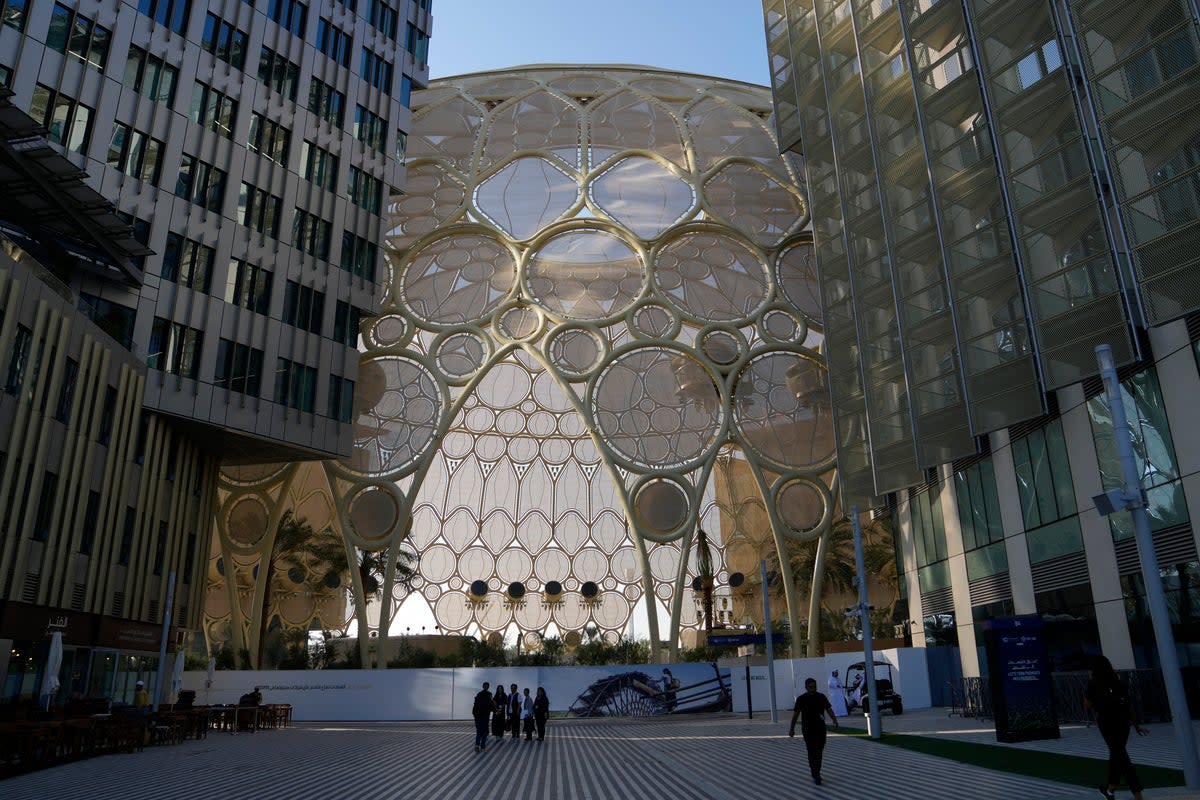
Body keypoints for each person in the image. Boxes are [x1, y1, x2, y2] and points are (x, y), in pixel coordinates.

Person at [1084, 655, 1147, 800]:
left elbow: (1087, 704)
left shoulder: (1093, 683)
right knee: (1118, 754)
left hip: (1107, 723)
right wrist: (1136, 725)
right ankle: (1111, 790)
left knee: (1121, 757)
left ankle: (1134, 795)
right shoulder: (1119, 683)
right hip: (1123, 723)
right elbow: (1128, 706)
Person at [789, 677, 838, 786]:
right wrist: (792, 728)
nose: (813, 689)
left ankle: (816, 771)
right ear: (806, 687)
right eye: (811, 687)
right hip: (808, 729)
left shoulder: (821, 697)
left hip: (820, 729)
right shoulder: (801, 699)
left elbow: (828, 709)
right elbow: (796, 714)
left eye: (815, 687)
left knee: (819, 752)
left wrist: (834, 720)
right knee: (811, 751)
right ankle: (816, 773)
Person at [471, 681, 495, 753]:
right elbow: (491, 704)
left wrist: (474, 714)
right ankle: (482, 747)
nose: (486, 687)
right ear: (487, 687)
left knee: (479, 731)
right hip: (485, 716)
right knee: (484, 731)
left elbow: (475, 705)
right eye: (486, 686)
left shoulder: (479, 694)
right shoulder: (489, 694)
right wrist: (495, 710)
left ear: (483, 686)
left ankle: (477, 745)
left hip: (478, 716)